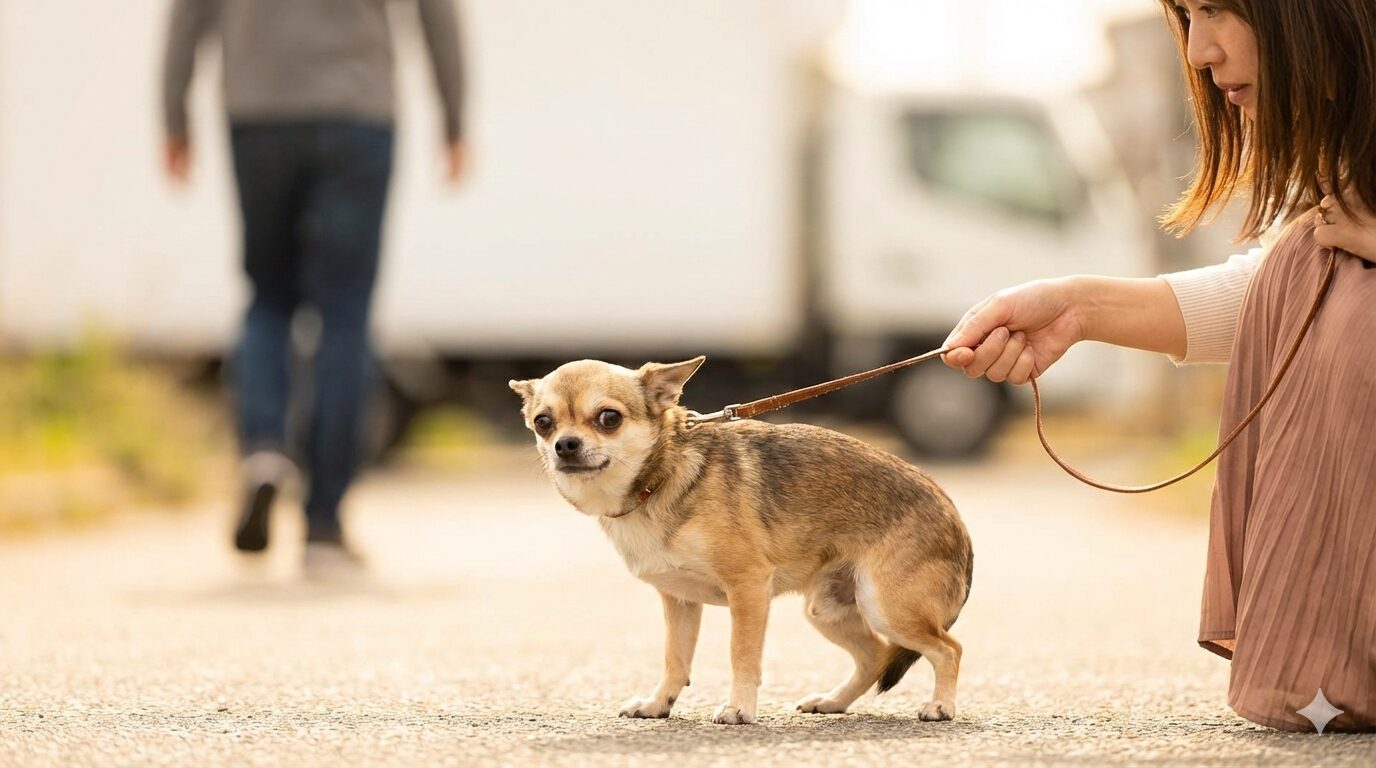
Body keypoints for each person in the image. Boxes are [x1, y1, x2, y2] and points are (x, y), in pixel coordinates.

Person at [941, 0, 1376, 732]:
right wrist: (1079, 308)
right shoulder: (1344, 167)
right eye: (1187, 18)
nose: (1200, 53)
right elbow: (1294, 295)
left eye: (1219, 10)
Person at [161, 0, 467, 569]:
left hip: (258, 111)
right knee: (345, 316)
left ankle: (263, 448)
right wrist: (454, 118)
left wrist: (173, 114)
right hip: (358, 112)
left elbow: (189, 13)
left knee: (268, 296)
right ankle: (324, 525)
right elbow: (437, 12)